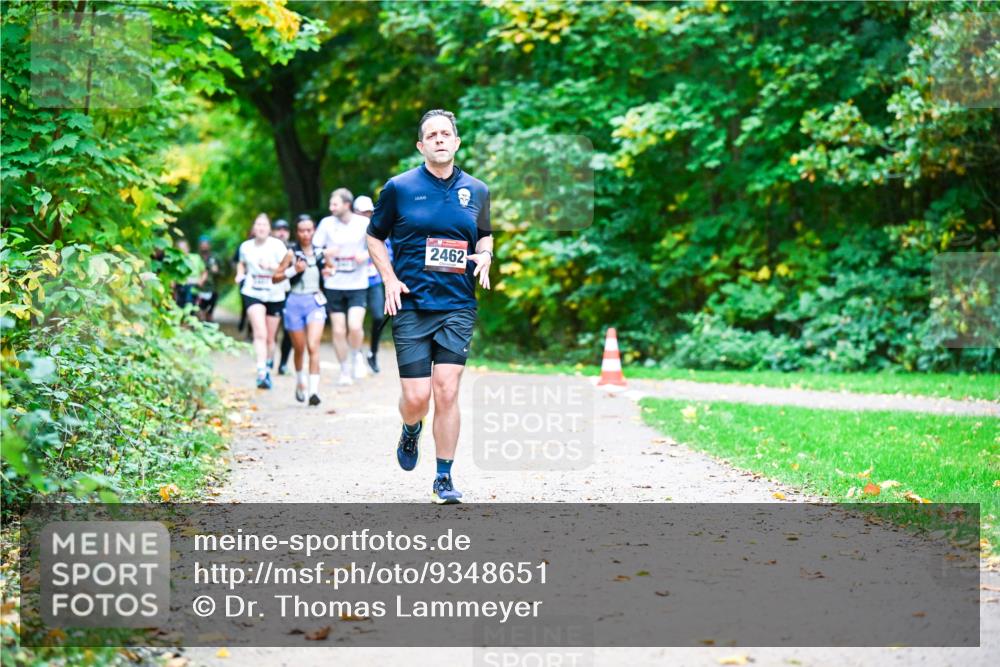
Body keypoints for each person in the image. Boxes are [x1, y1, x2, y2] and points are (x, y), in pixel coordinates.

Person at [366, 109, 493, 504]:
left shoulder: (477, 190)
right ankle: (410, 428)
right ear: (421, 146)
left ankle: (443, 477)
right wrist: (389, 278)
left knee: (448, 390)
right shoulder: (399, 188)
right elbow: (373, 237)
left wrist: (486, 255)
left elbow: (484, 236)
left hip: (457, 305)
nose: (439, 139)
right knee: (418, 399)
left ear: (456, 142)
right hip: (411, 304)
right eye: (431, 135)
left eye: (446, 134)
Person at [314, 188, 371, 386]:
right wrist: (326, 254)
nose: (331, 208)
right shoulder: (326, 224)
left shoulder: (363, 223)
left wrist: (366, 255)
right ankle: (344, 369)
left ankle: (357, 356)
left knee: (355, 326)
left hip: (357, 283)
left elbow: (379, 244)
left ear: (347, 205)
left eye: (335, 204)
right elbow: (315, 249)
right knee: (338, 331)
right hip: (334, 284)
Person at [272, 215, 330, 406]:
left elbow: (332, 268)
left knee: (313, 345)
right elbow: (276, 277)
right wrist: (293, 270)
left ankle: (314, 391)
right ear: (297, 233)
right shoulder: (291, 253)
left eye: (309, 230)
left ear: (314, 231)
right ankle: (300, 382)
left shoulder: (321, 253)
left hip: (315, 301)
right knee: (299, 348)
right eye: (302, 231)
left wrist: (329, 273)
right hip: (294, 302)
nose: (306, 234)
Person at [234, 213, 288, 389]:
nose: (261, 228)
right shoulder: (246, 247)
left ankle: (269, 360)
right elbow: (241, 263)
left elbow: (286, 268)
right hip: (253, 291)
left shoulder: (278, 246)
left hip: (275, 293)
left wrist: (271, 267)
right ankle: (261, 371)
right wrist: (239, 273)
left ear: (269, 229)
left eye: (264, 225)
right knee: (260, 333)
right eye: (258, 224)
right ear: (253, 228)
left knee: (271, 338)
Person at [354, 195, 391, 374]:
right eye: (361, 213)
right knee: (355, 322)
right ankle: (357, 354)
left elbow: (388, 254)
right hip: (353, 283)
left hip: (373, 281)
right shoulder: (348, 232)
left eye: (368, 213)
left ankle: (373, 353)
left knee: (378, 316)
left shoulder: (378, 229)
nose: (365, 216)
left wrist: (370, 255)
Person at [271, 219, 294, 375]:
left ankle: (283, 363)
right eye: (278, 229)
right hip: (270, 293)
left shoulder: (294, 249)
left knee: (289, 330)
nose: (282, 232)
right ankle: (268, 360)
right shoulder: (267, 248)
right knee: (270, 330)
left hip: (289, 293)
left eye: (285, 229)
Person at [174, 238, 206, 312]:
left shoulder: (196, 258)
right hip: (181, 288)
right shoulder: (175, 260)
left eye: (184, 248)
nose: (183, 250)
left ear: (188, 248)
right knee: (180, 309)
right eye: (180, 249)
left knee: (192, 309)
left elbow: (204, 272)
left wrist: (201, 281)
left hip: (194, 288)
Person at [196, 235, 221, 322]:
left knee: (209, 313)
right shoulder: (196, 258)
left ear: (209, 245)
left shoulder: (215, 258)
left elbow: (223, 273)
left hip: (213, 289)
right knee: (200, 311)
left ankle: (209, 327)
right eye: (202, 244)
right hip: (199, 288)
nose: (204, 245)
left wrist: (217, 271)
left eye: (206, 243)